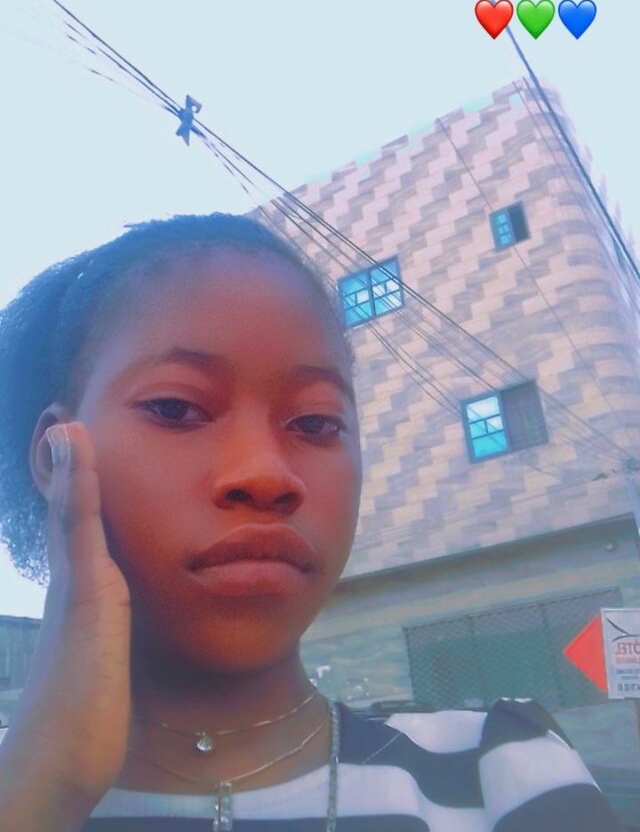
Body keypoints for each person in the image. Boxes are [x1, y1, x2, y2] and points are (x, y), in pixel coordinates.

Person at [0, 213, 623, 831]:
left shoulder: (503, 773)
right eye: (176, 407)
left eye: (316, 423)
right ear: (54, 453)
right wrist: (41, 788)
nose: (267, 475)